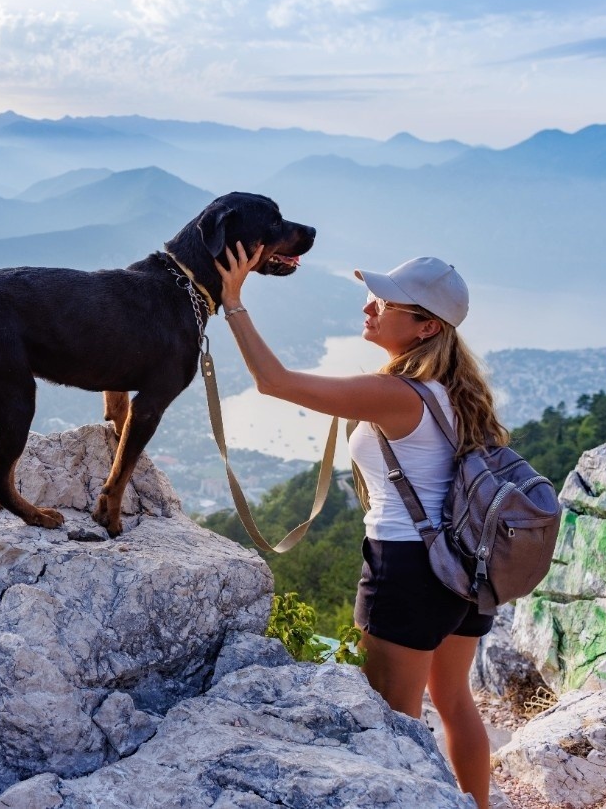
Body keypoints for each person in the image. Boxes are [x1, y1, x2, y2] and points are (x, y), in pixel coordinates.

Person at [216, 245, 505, 809]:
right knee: (453, 700)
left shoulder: (395, 394)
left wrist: (232, 302)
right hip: (468, 565)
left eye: (386, 300)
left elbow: (273, 381)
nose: (370, 305)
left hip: (407, 572)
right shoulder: (461, 393)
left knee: (393, 727)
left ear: (425, 325)